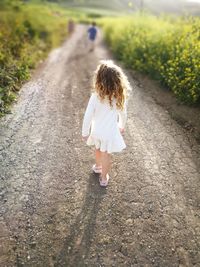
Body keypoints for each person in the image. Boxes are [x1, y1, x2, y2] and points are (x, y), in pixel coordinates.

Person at [82, 60, 131, 187]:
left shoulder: (95, 96)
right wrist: (121, 125)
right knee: (106, 154)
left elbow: (88, 115)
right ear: (118, 81)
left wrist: (85, 132)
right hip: (109, 133)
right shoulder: (119, 97)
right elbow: (123, 114)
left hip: (96, 131)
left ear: (99, 80)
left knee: (98, 149)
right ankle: (104, 178)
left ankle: (98, 167)